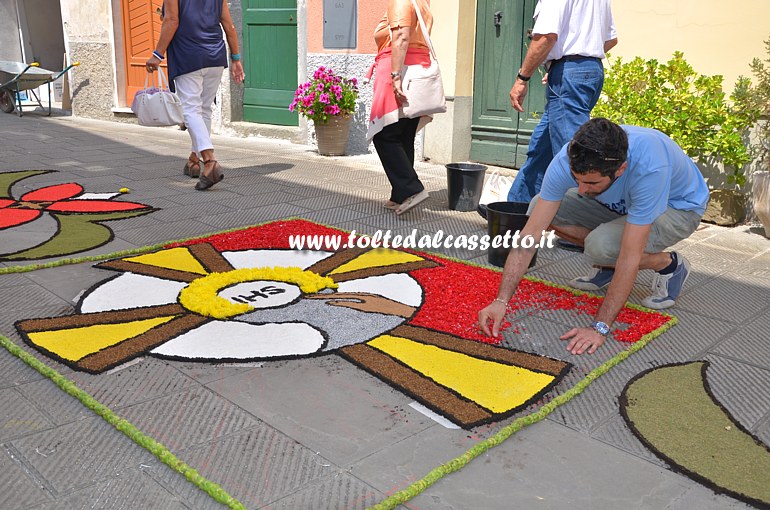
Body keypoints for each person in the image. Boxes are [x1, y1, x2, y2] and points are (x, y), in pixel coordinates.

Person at [478, 118, 710, 355]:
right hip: (622, 205)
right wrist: (501, 301)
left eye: (590, 182)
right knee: (539, 208)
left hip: (678, 209)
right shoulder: (569, 159)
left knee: (602, 246)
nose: (580, 190)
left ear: (620, 169)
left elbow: (629, 257)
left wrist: (599, 327)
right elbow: (531, 234)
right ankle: (606, 264)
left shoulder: (650, 167)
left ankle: (668, 264)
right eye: (576, 179)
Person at [479, 0, 617, 219]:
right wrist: (565, 64)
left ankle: (584, 222)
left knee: (575, 152)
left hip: (570, 74)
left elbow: (546, 37)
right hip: (589, 70)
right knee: (541, 148)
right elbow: (610, 40)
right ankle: (518, 209)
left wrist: (523, 78)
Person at [145, 0, 245, 191]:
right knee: (204, 110)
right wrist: (236, 59)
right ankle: (194, 160)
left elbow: (172, 20)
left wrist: (157, 55)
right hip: (215, 56)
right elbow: (229, 26)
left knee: (191, 110)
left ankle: (210, 161)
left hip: (188, 55)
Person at [366, 0, 434, 216]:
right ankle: (400, 194)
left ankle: (411, 188)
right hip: (416, 70)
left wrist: (395, 76)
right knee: (403, 133)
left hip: (400, 70)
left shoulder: (401, 1)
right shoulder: (421, 3)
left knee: (383, 134)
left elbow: (402, 37)